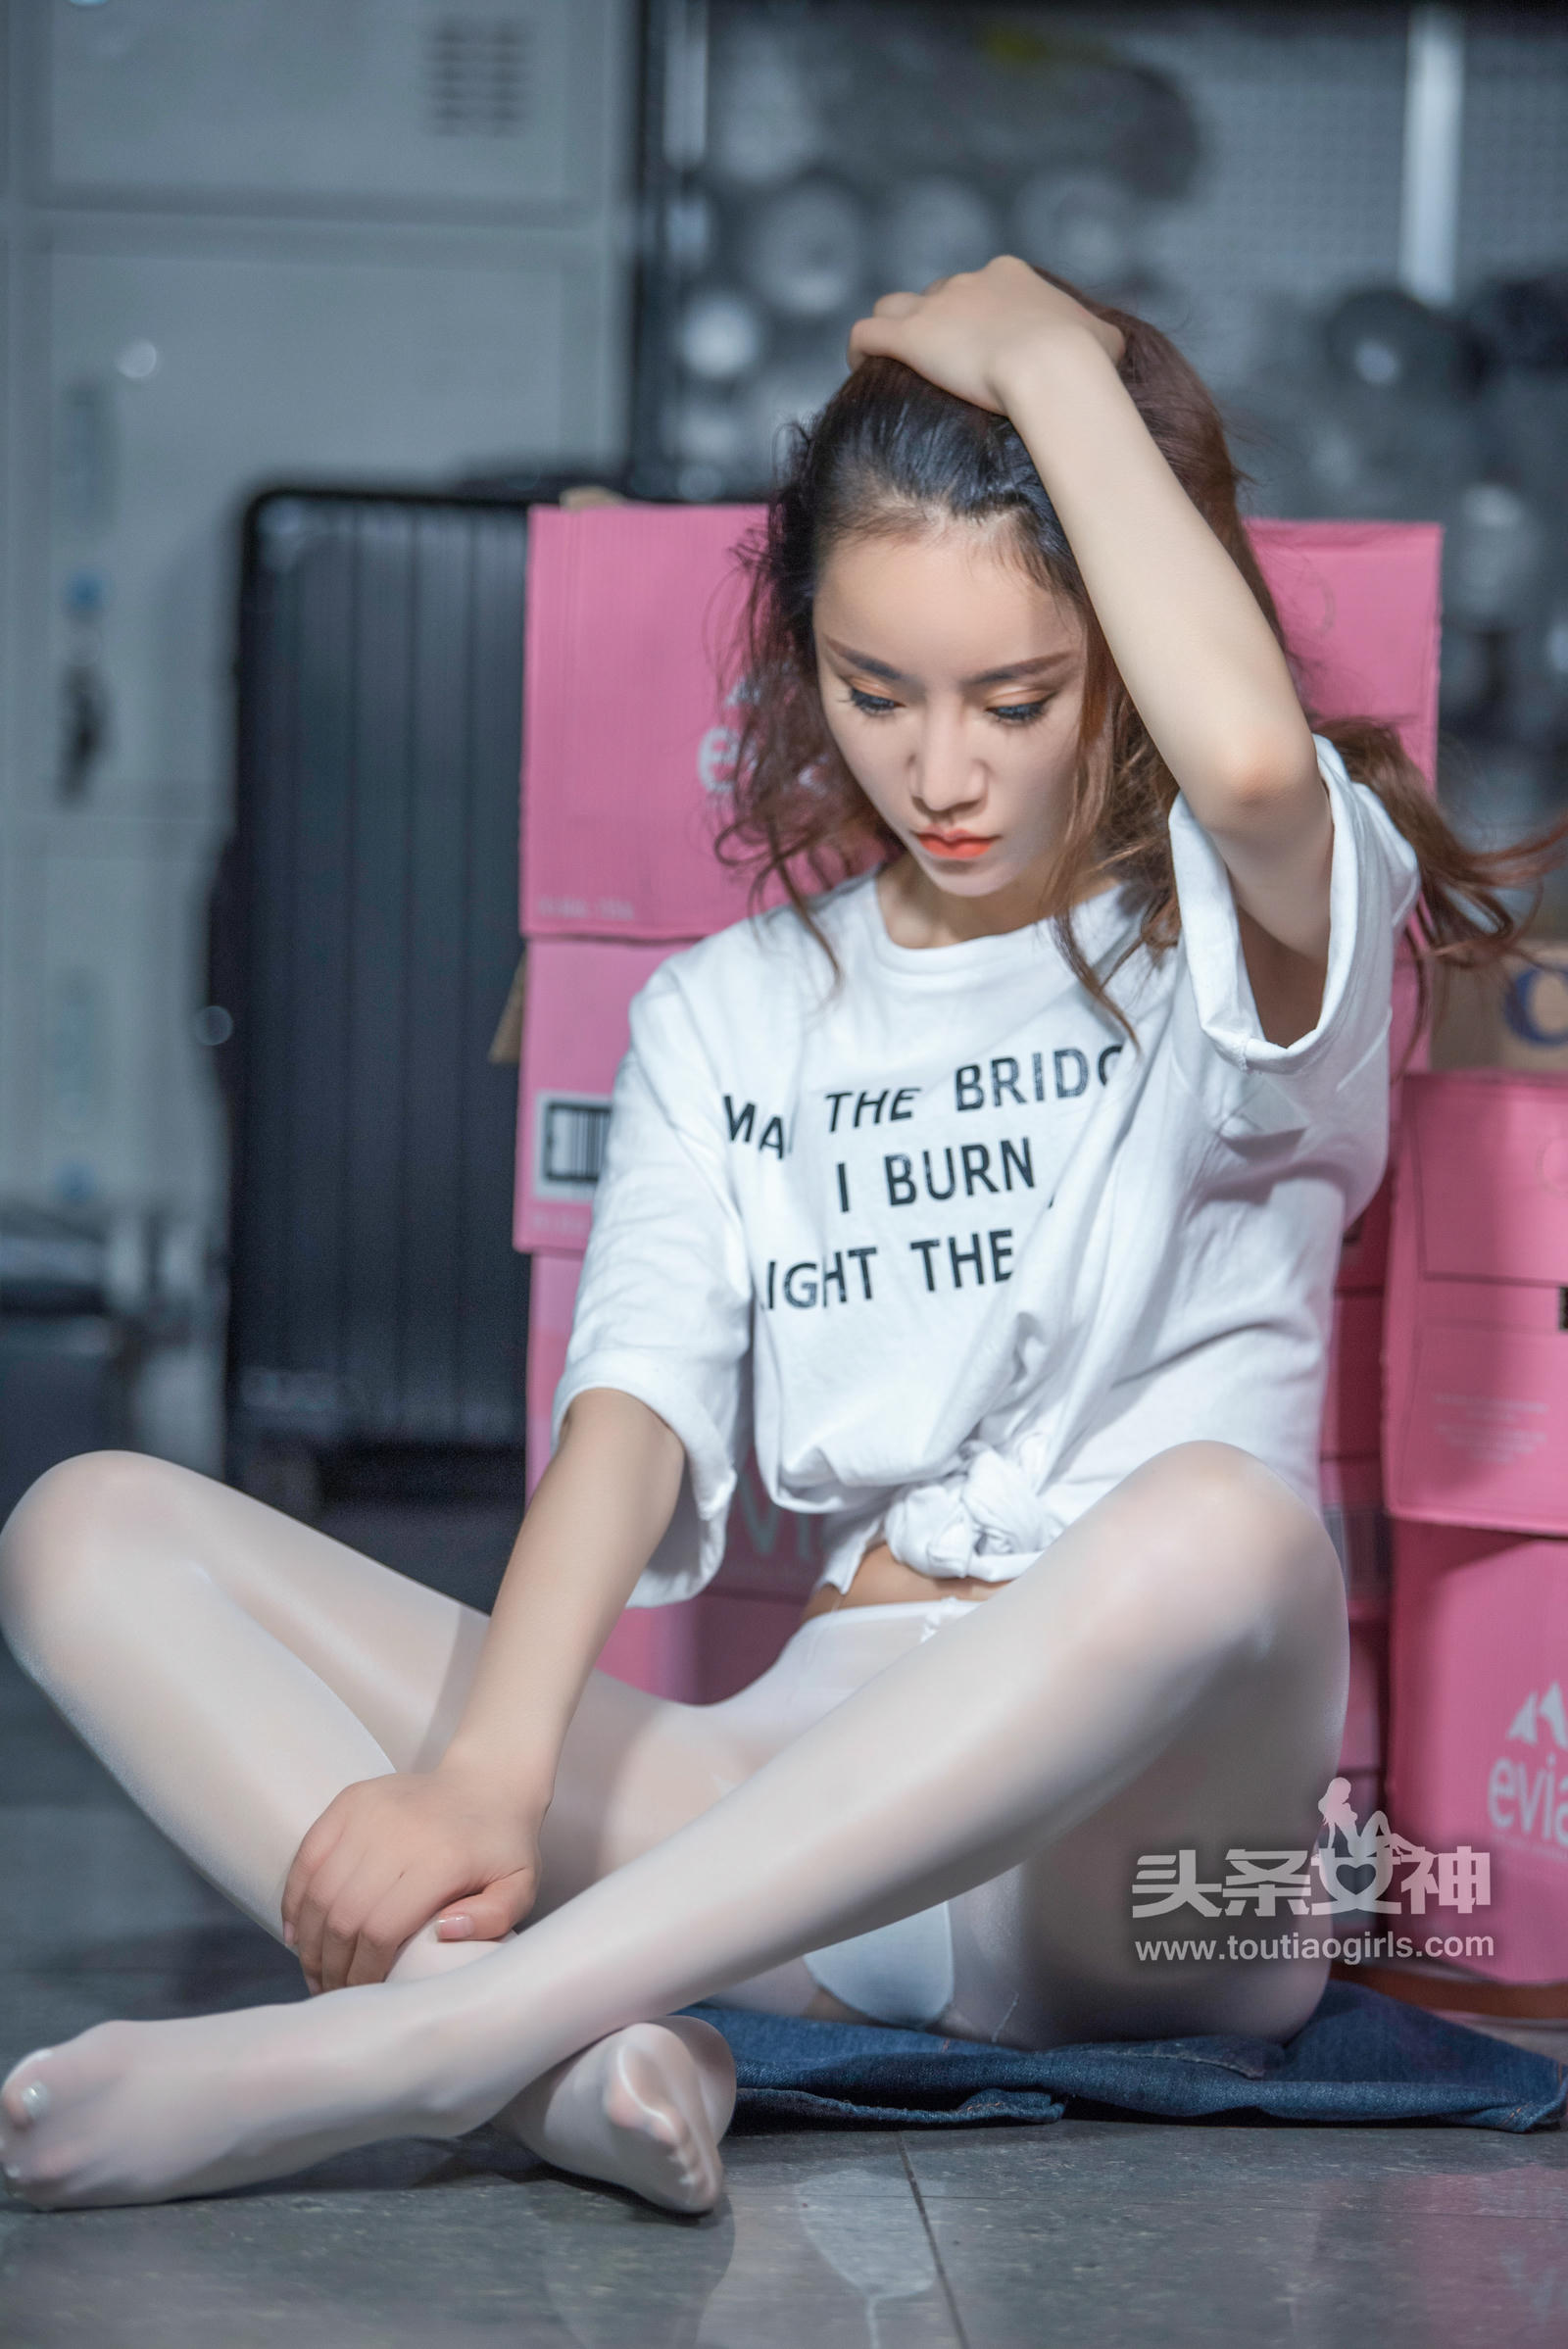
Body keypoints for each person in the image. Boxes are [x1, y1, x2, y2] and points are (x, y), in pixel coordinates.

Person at [0, 259, 1558, 2218]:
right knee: (84, 1526)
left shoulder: (1242, 938)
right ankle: (570, 2072)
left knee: (1224, 1524)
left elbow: (1245, 765)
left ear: (1124, 660)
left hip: (1169, 1882)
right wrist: (486, 1773)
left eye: (1017, 698)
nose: (941, 771)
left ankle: (427, 2041)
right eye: (873, 689)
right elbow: (630, 1406)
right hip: (805, 1813)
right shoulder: (729, 1011)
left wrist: (1052, 358)